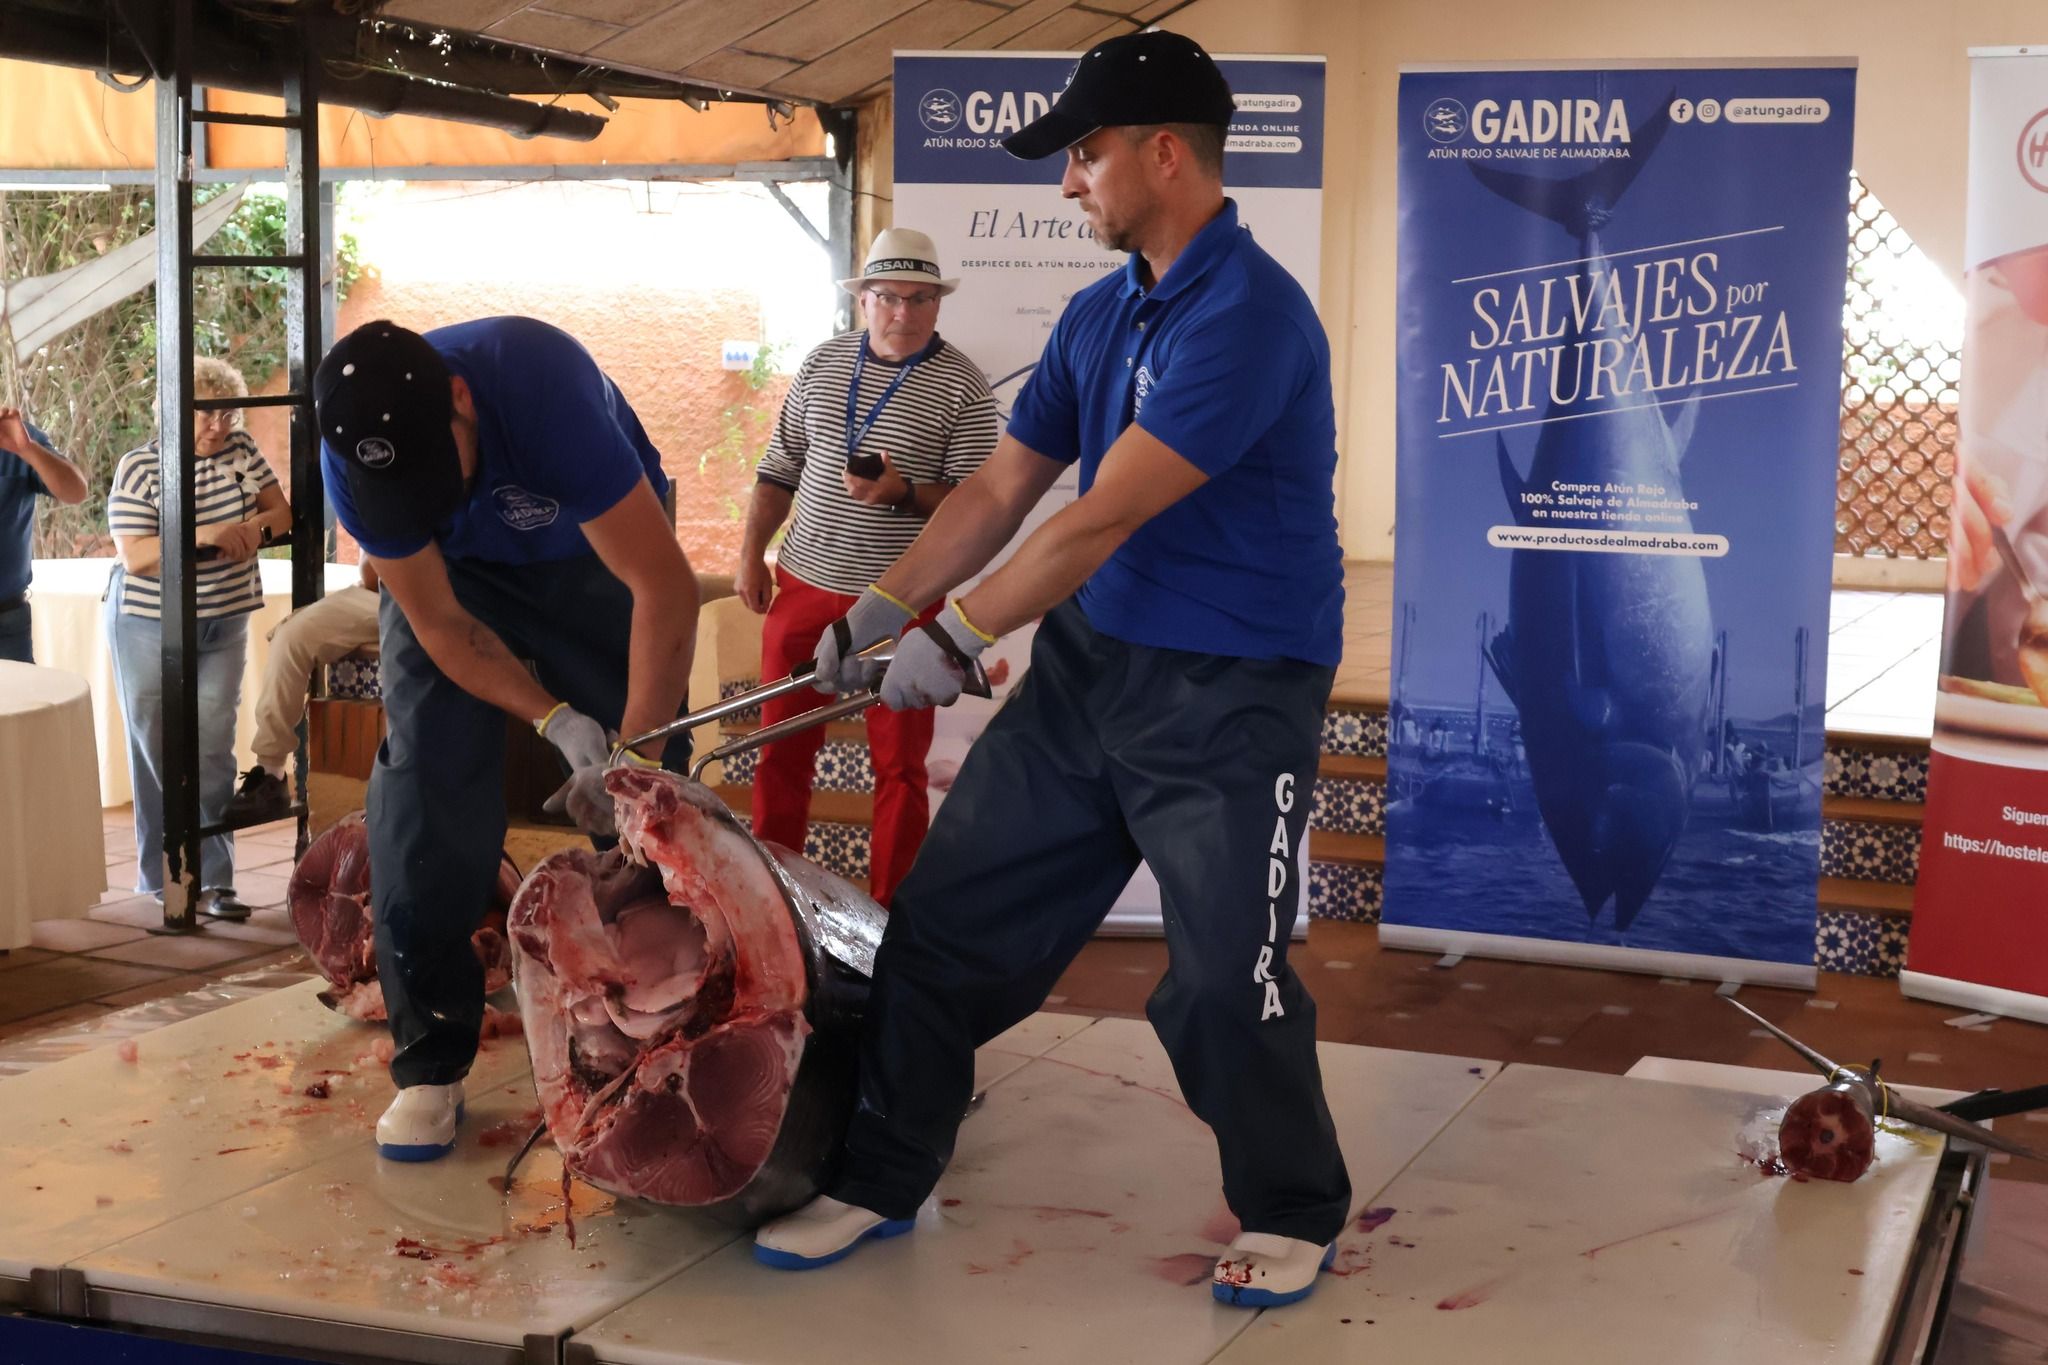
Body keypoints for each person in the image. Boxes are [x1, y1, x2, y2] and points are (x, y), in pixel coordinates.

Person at [753, 31, 1352, 1310]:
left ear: (1164, 153)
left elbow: (1097, 518)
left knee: (1219, 982)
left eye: (1084, 153)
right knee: (938, 933)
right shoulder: (1099, 312)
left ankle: (1292, 1206)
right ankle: (881, 1175)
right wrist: (875, 609)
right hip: (1091, 670)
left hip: (1233, 692)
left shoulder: (1248, 318)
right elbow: (997, 490)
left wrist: (953, 638)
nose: (1067, 181)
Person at [313, 316, 698, 1162]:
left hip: (592, 554)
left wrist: (632, 753)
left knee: (649, 792)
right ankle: (430, 1058)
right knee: (425, 775)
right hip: (458, 580)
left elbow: (662, 585)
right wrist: (554, 718)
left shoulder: (540, 387)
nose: (429, 496)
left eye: (434, 470)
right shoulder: (351, 462)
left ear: (462, 399)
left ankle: (674, 1028)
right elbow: (441, 626)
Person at [736, 227, 998, 905]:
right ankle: (776, 906)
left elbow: (980, 506)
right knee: (780, 752)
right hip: (802, 586)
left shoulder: (964, 386)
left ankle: (889, 918)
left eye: (919, 299)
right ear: (863, 300)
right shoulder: (822, 364)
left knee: (901, 770)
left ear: (938, 304)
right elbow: (778, 469)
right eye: (888, 297)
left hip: (906, 602)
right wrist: (750, 554)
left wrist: (904, 493)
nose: (903, 313)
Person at [106, 356, 289, 919]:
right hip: (147, 625)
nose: (219, 424)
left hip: (223, 621)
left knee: (212, 748)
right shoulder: (141, 467)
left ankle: (214, 882)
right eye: (206, 413)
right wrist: (204, 534)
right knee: (157, 748)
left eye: (228, 413)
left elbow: (281, 514)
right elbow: (137, 556)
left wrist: (252, 529)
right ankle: (163, 879)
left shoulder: (242, 453)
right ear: (172, 412)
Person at [220, 558, 382, 825]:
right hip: (381, 592)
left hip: (444, 593)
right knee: (291, 636)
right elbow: (371, 573)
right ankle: (271, 771)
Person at [0, 404, 90, 662]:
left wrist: (27, 449)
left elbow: (76, 492)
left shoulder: (16, 435)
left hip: (6, 620)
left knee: (18, 690)